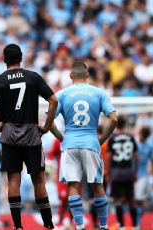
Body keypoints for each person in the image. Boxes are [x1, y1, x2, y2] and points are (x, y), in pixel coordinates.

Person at [0, 44, 58, 229]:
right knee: (38, 179)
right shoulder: (33, 77)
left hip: (9, 135)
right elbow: (53, 100)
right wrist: (46, 126)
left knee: (14, 179)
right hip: (31, 133)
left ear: (4, 60)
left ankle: (18, 226)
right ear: (20, 58)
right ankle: (48, 225)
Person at [50, 61, 118, 230]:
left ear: (70, 76)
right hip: (91, 143)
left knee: (73, 185)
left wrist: (61, 138)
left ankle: (80, 226)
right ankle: (103, 226)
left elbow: (48, 121)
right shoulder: (99, 93)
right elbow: (114, 119)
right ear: (88, 75)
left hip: (70, 144)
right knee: (97, 186)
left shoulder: (62, 94)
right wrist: (102, 139)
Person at [107, 116, 139, 228]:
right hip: (128, 172)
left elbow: (109, 156)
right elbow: (136, 156)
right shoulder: (131, 138)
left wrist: (108, 173)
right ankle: (135, 225)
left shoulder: (112, 138)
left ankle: (121, 226)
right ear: (125, 125)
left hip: (116, 173)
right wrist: (135, 171)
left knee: (117, 200)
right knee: (131, 200)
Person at [135, 126, 153, 225]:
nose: (142, 138)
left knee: (139, 199)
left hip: (142, 175)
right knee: (133, 200)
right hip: (131, 174)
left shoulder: (150, 145)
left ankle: (138, 222)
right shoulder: (134, 142)